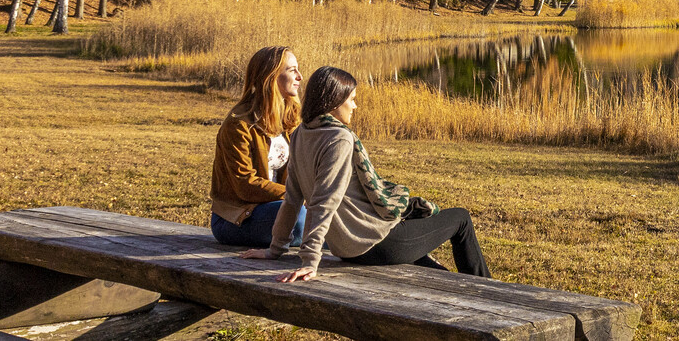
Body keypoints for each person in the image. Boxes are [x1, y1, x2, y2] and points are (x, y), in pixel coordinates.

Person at [241, 66, 491, 282]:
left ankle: (455, 284)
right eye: (352, 99)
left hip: (347, 248)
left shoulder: (301, 134)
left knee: (417, 225)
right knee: (460, 218)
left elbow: (293, 199)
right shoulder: (339, 138)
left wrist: (275, 249)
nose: (355, 106)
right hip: (377, 244)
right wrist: (310, 261)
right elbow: (324, 202)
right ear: (335, 101)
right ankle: (488, 288)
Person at [210, 45, 305, 248]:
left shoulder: (290, 120)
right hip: (238, 218)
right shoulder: (239, 124)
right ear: (270, 76)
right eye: (292, 70)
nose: (300, 76)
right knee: (299, 217)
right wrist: (296, 196)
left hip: (280, 208)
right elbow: (245, 184)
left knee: (330, 211)